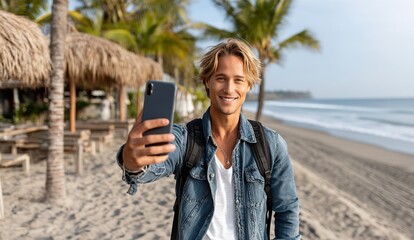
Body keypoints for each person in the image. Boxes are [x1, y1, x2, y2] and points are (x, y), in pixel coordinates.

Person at [116, 39, 300, 240]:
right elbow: (153, 166)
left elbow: (287, 210)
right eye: (221, 78)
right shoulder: (186, 138)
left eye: (238, 80)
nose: (229, 89)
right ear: (207, 81)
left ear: (248, 85)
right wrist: (133, 162)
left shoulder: (271, 145)